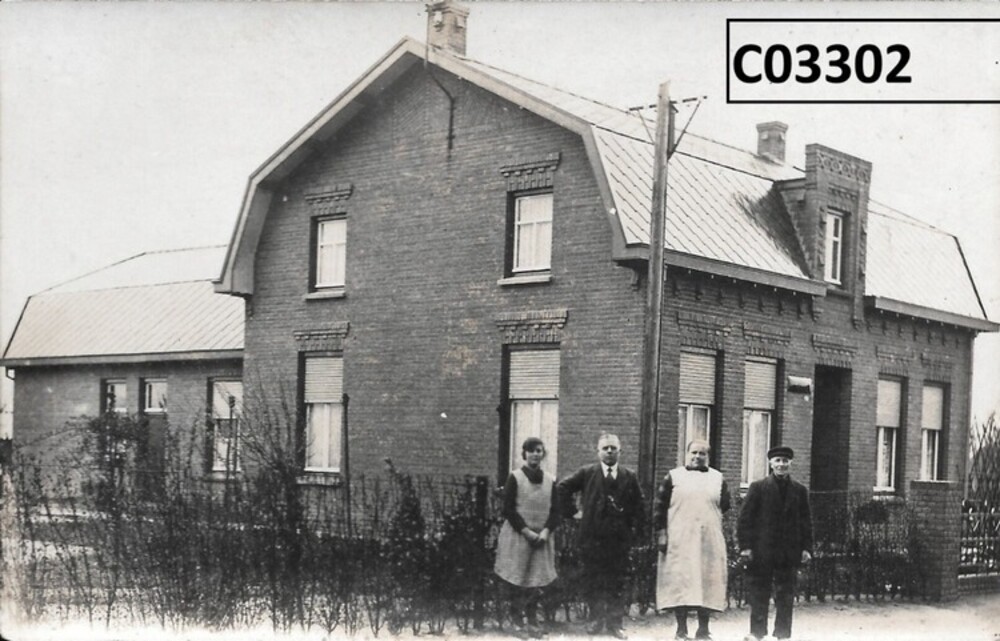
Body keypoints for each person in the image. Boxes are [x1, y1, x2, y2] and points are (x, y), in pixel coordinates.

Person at [558, 433, 644, 640]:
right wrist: (573, 513)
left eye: (613, 448)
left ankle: (615, 624)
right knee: (593, 579)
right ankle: (595, 619)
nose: (609, 451)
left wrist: (634, 532)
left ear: (620, 451)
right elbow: (562, 488)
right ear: (598, 452)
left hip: (619, 540)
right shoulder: (587, 473)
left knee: (617, 581)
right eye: (605, 448)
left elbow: (639, 506)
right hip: (592, 538)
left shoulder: (629, 476)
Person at [653, 439, 730, 640]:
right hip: (680, 539)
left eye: (702, 453)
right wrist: (662, 533)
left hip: (708, 540)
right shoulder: (673, 476)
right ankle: (681, 630)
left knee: (707, 582)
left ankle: (703, 630)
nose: (697, 456)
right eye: (694, 452)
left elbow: (725, 505)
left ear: (708, 456)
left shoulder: (718, 478)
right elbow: (659, 508)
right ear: (686, 454)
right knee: (681, 583)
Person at [737, 445, 813, 641]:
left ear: (790, 463)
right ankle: (757, 632)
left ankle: (783, 633)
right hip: (762, 550)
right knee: (759, 592)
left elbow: (806, 522)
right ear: (771, 463)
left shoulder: (799, 490)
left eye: (785, 461)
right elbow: (745, 520)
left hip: (789, 551)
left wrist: (806, 548)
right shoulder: (758, 488)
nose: (781, 465)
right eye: (777, 461)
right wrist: (746, 547)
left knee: (786, 594)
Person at [494, 437, 560, 638]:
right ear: (524, 454)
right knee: (517, 581)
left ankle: (532, 621)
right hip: (519, 537)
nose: (535, 454)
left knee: (535, 581)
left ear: (543, 454)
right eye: (531, 451)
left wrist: (546, 531)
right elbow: (508, 509)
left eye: (539, 451)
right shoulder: (515, 477)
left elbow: (556, 511)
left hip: (541, 539)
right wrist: (526, 531)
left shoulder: (550, 480)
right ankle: (516, 622)